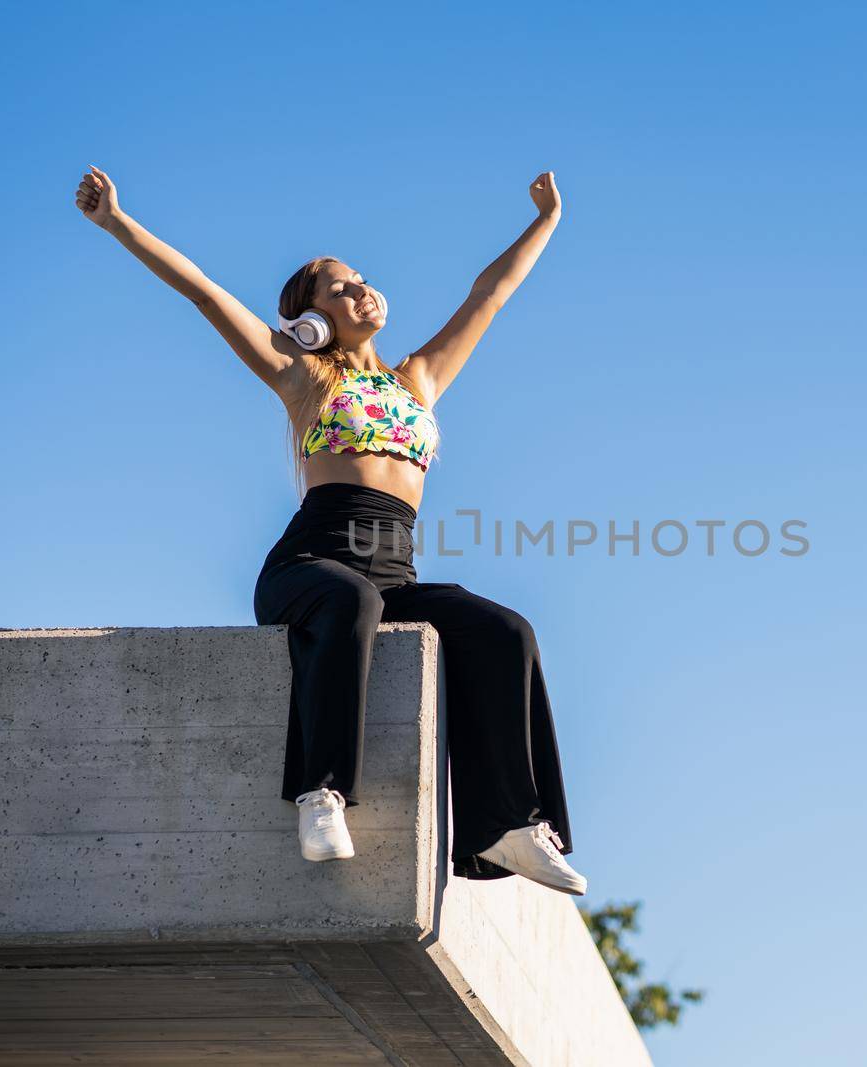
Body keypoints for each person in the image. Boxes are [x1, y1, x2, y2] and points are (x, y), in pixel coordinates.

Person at [74, 164, 585, 894]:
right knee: (352, 603)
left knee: (505, 630)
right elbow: (203, 292)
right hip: (312, 562)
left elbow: (490, 294)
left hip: (394, 569)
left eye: (361, 278)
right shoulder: (304, 375)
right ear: (309, 320)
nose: (360, 289)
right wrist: (118, 223)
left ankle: (507, 825)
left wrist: (545, 223)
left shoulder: (417, 380)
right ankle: (322, 793)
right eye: (339, 287)